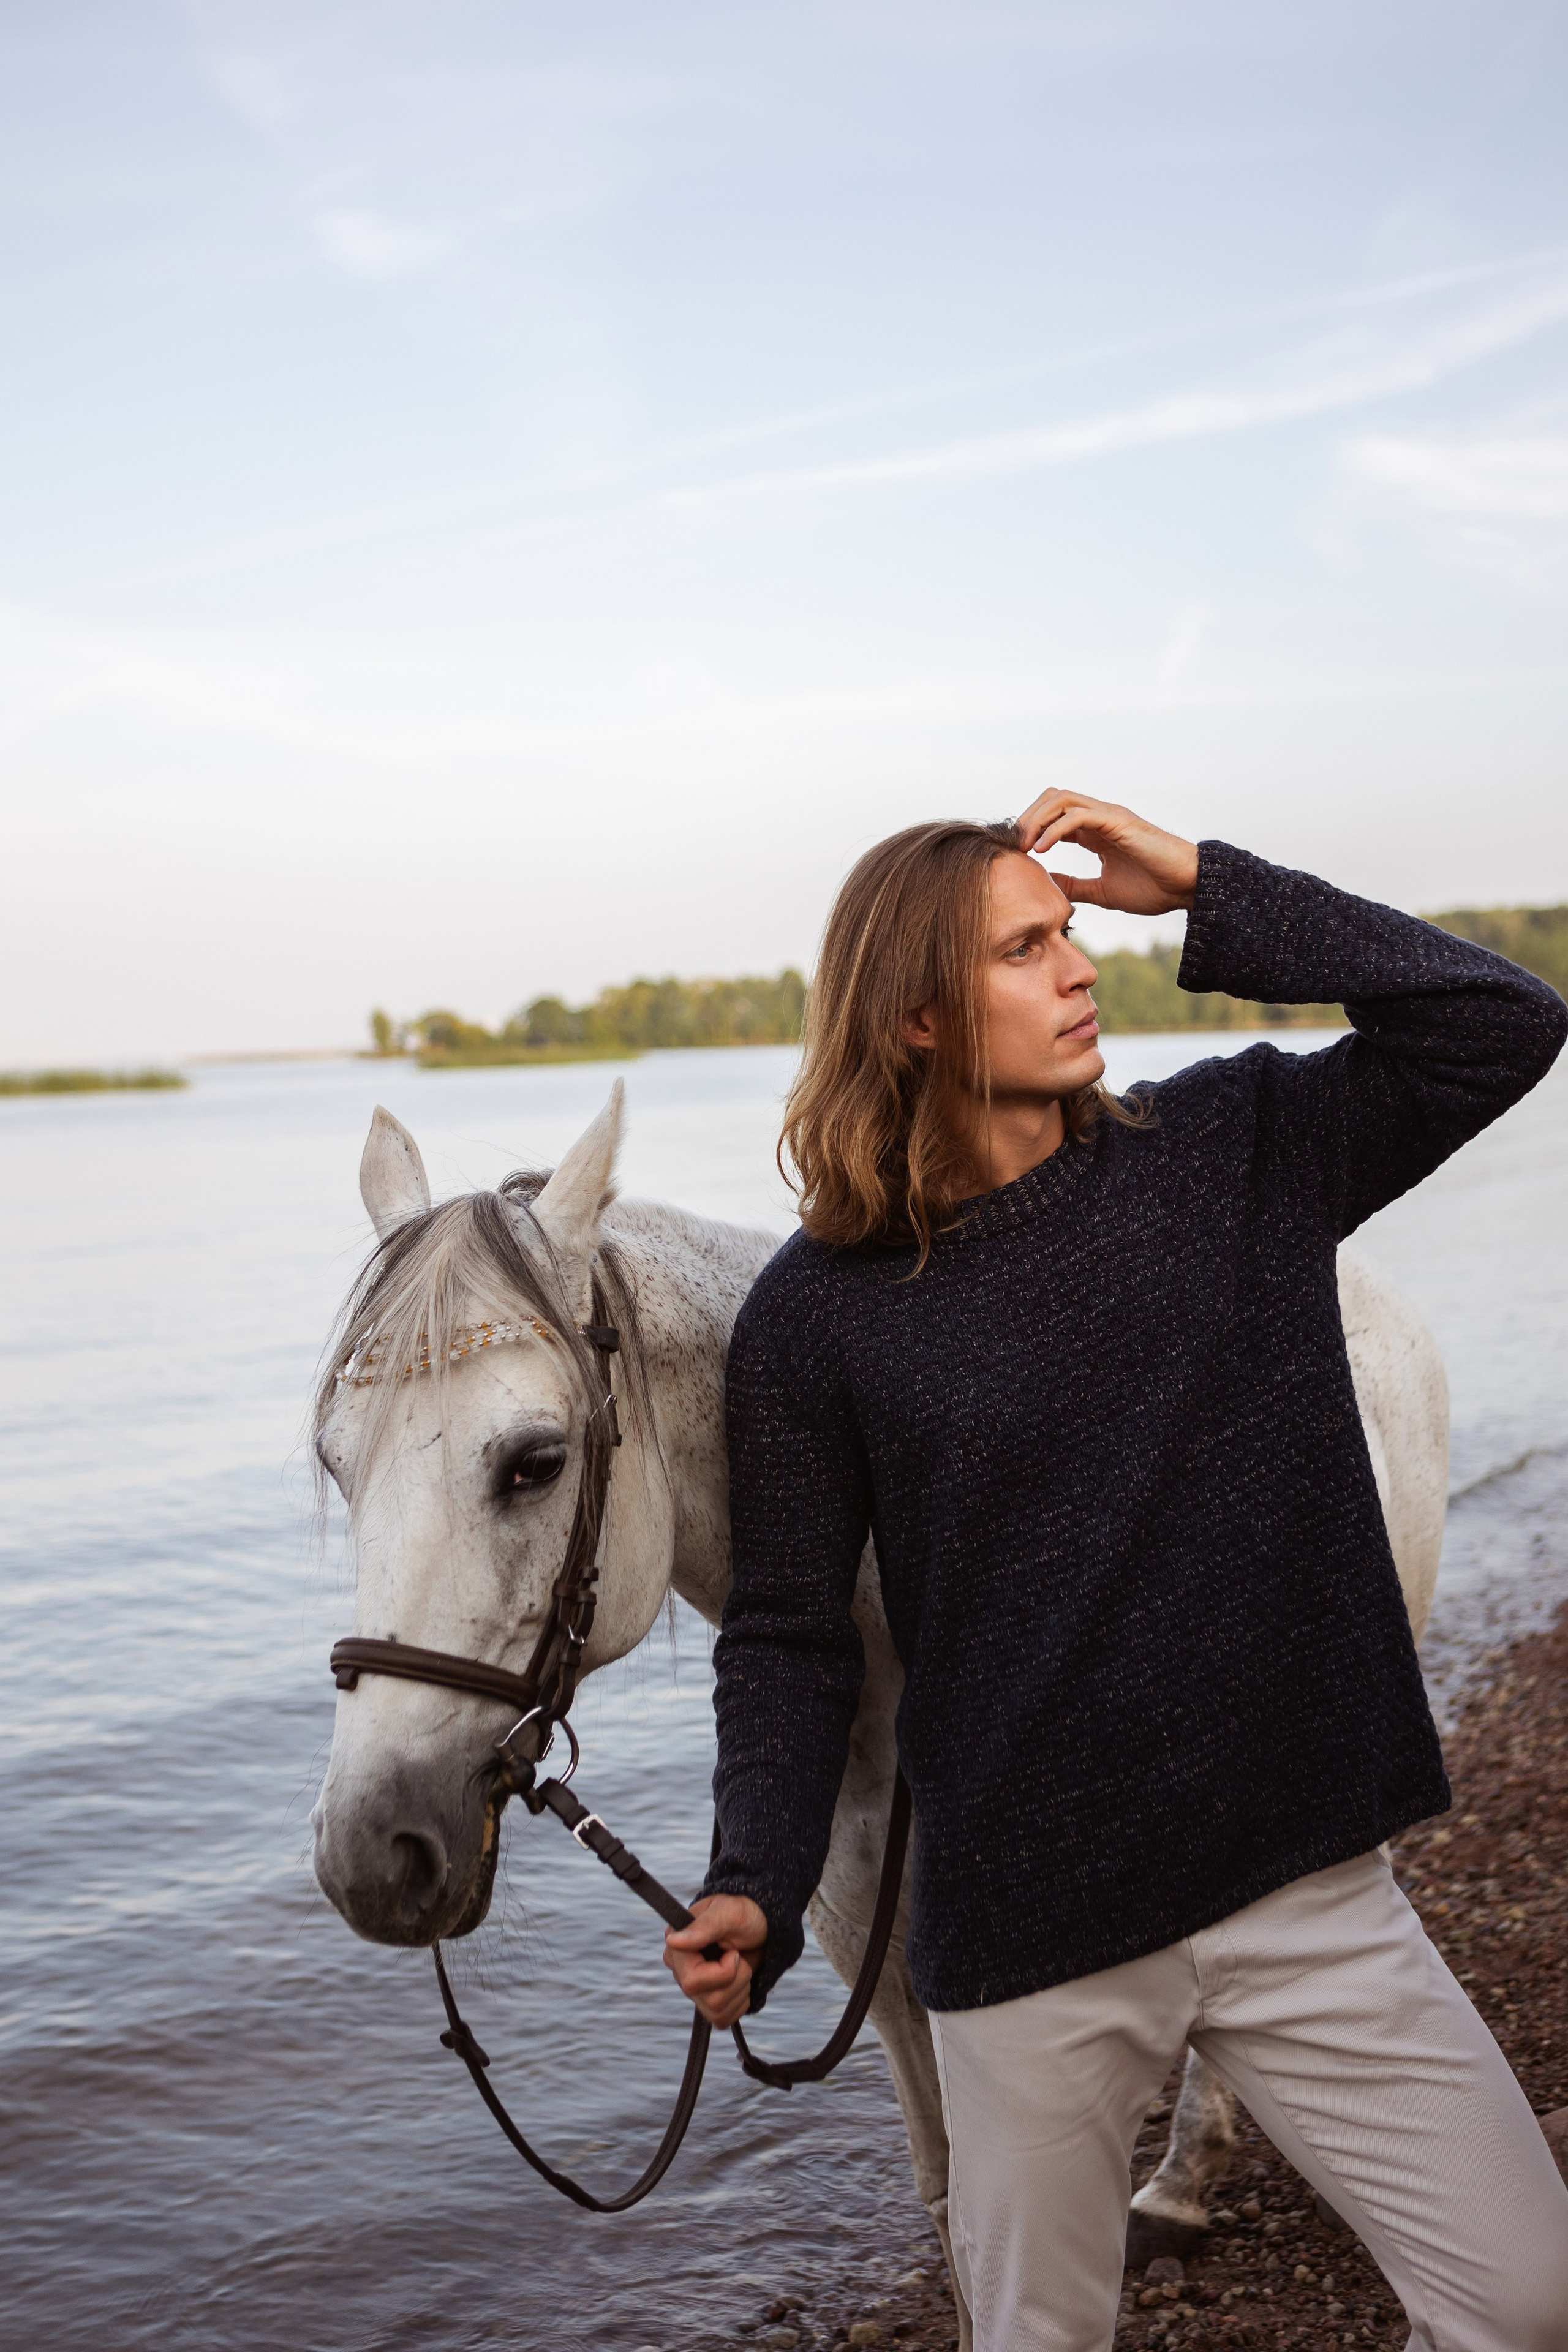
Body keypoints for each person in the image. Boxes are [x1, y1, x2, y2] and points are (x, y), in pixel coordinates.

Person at [663, 794, 1568, 2352]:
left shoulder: (1231, 1149)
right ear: (918, 1017)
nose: (1081, 966)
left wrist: (1206, 888)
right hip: (1030, 1944)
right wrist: (753, 1870)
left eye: (1071, 931)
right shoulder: (815, 1317)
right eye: (1027, 946)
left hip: (1301, 1884)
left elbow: (1499, 1022)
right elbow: (790, 1637)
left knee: (1526, 2298)